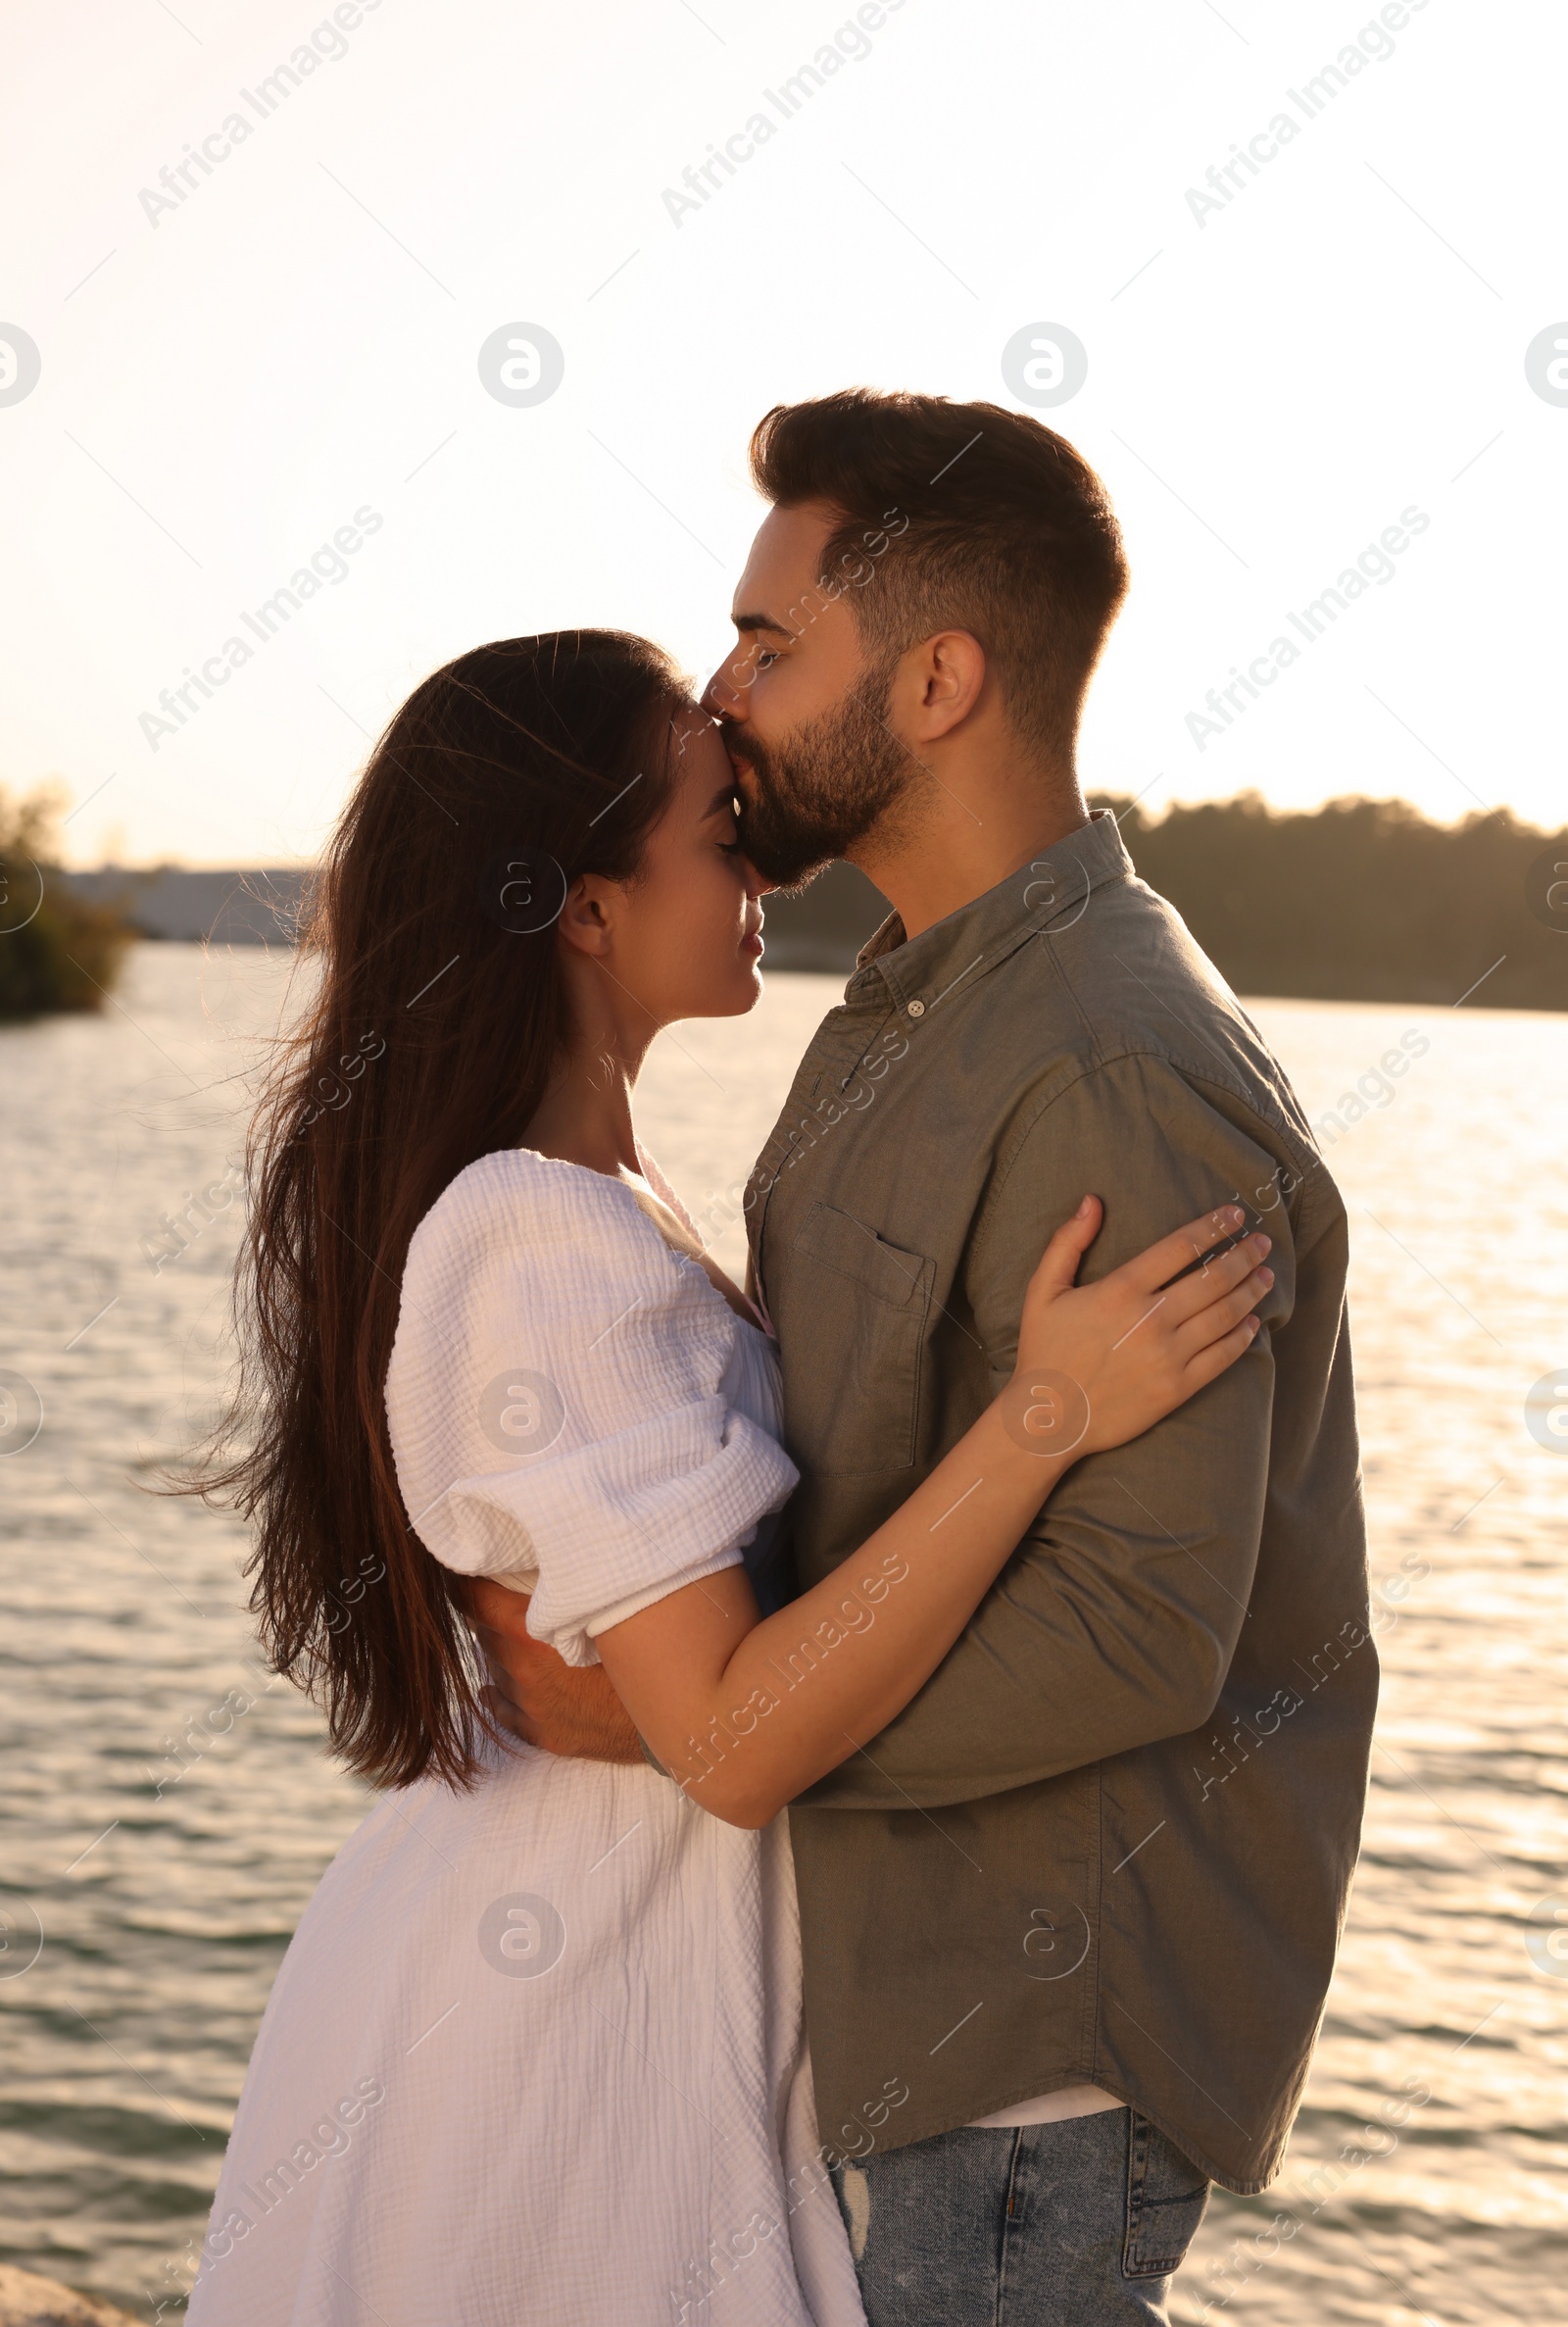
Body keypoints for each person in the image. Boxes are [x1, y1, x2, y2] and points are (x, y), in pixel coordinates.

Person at [182, 626, 1270, 2326]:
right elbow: (739, 1739)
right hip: (570, 1996)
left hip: (592, 1937)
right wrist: (1043, 1420)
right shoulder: (542, 1235)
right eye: (716, 827)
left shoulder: (604, 1205)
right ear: (585, 905)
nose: (758, 859)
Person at [479, 393, 1378, 2325]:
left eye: (769, 645)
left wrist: (696, 1721)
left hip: (1024, 2055)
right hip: (895, 2013)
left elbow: (1145, 1628)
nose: (719, 699)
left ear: (941, 679)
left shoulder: (1111, 1063)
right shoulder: (906, 1002)